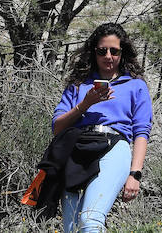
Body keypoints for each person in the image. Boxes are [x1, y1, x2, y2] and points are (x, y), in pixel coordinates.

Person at [31, 23, 152, 233]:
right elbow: (57, 127)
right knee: (72, 228)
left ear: (122, 53)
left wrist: (135, 174)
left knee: (90, 220)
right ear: (93, 52)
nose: (108, 56)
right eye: (102, 50)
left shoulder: (135, 85)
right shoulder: (78, 85)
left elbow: (141, 131)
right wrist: (84, 104)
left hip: (113, 147)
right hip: (76, 152)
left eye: (114, 51)